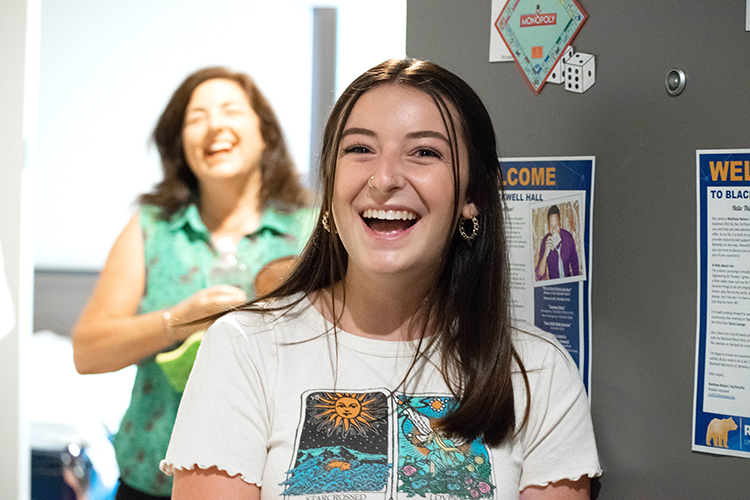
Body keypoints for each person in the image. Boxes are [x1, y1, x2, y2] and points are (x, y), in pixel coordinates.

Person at [162, 59, 601, 499]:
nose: (384, 179)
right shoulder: (246, 346)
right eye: (360, 149)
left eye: (425, 152)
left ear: (472, 197)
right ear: (331, 183)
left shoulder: (538, 371)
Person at [72, 66, 313, 499]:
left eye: (230, 110)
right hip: (152, 478)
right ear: (180, 144)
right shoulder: (151, 228)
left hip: (275, 479)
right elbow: (88, 352)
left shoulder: (314, 230)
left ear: (266, 135)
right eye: (196, 117)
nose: (215, 125)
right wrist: (178, 321)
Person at [535, 204, 580, 281]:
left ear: (560, 223)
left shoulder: (568, 237)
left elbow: (574, 262)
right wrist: (546, 253)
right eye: (551, 226)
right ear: (548, 226)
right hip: (554, 285)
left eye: (556, 225)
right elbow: (540, 274)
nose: (554, 230)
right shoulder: (545, 241)